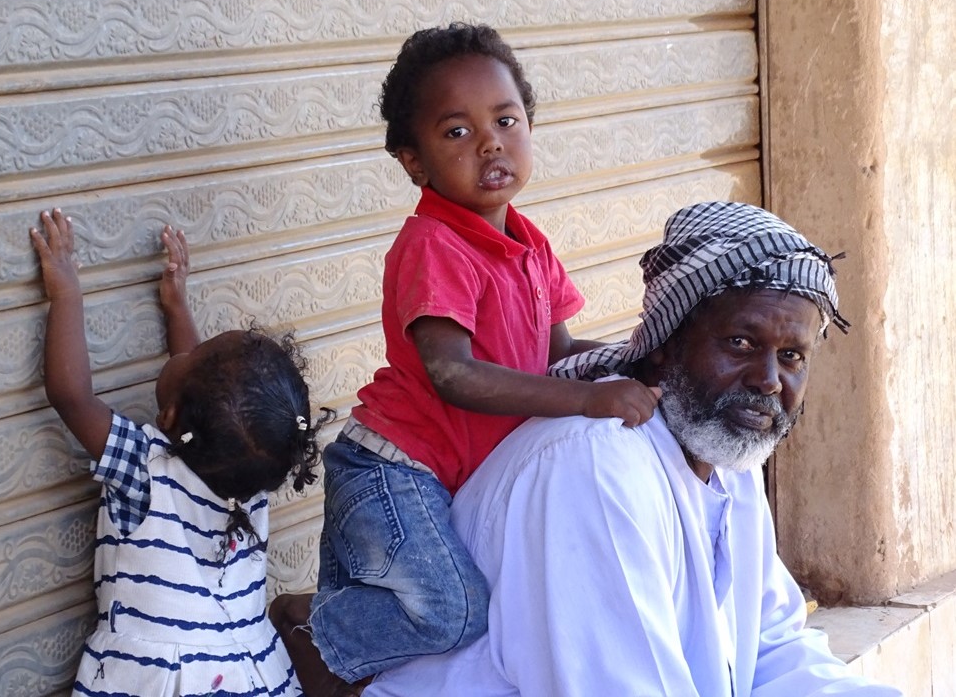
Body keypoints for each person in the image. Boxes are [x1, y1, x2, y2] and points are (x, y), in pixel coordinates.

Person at [362, 200, 905, 696]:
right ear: (665, 347)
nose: (768, 379)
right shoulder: (594, 465)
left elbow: (773, 649)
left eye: (792, 356)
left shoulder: (726, 455)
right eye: (740, 343)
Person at [270, 22, 660, 693]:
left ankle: (326, 647)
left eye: (506, 120)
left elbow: (557, 353)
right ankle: (307, 623)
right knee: (454, 615)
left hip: (435, 479)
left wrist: (643, 360)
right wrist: (589, 399)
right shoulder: (434, 244)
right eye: (456, 132)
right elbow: (452, 374)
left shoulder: (528, 242)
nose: (489, 143)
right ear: (413, 162)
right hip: (393, 472)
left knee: (424, 634)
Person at [30, 208, 328, 697]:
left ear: (169, 418)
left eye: (194, 351)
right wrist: (177, 307)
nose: (186, 350)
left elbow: (72, 396)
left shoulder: (144, 467)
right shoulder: (250, 477)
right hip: (249, 675)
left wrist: (66, 290)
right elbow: (201, 393)